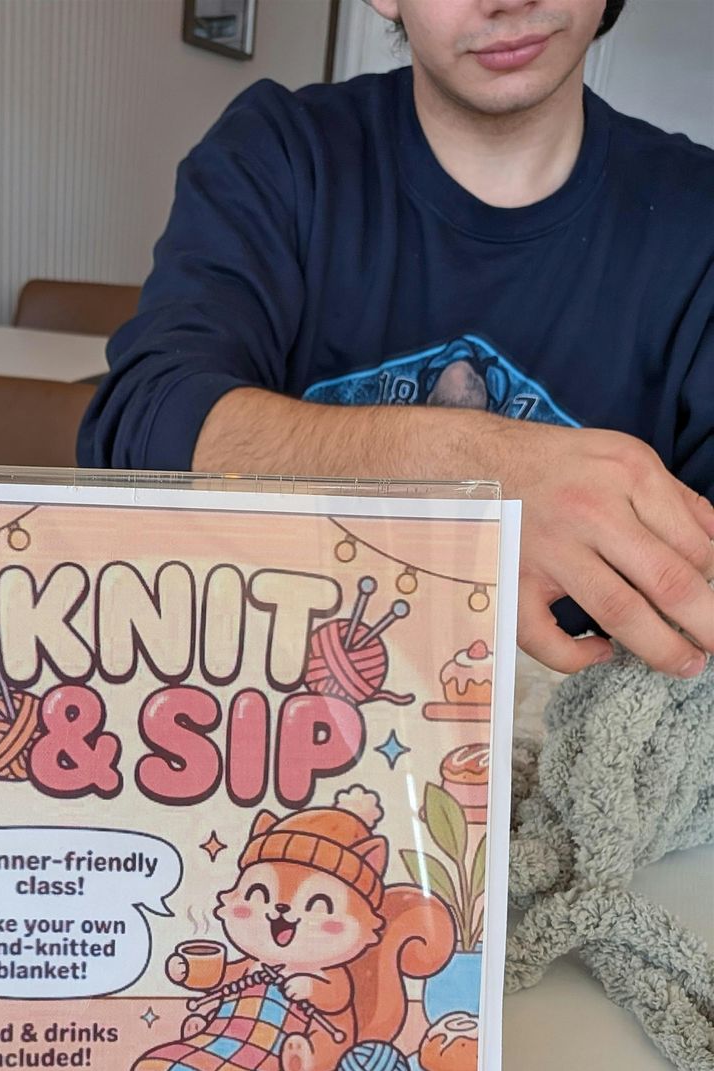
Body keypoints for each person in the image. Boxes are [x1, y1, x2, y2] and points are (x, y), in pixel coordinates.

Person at [78, 0, 714, 678]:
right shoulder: (277, 150)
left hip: (579, 716)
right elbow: (141, 427)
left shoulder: (698, 216)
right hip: (274, 689)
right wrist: (476, 477)